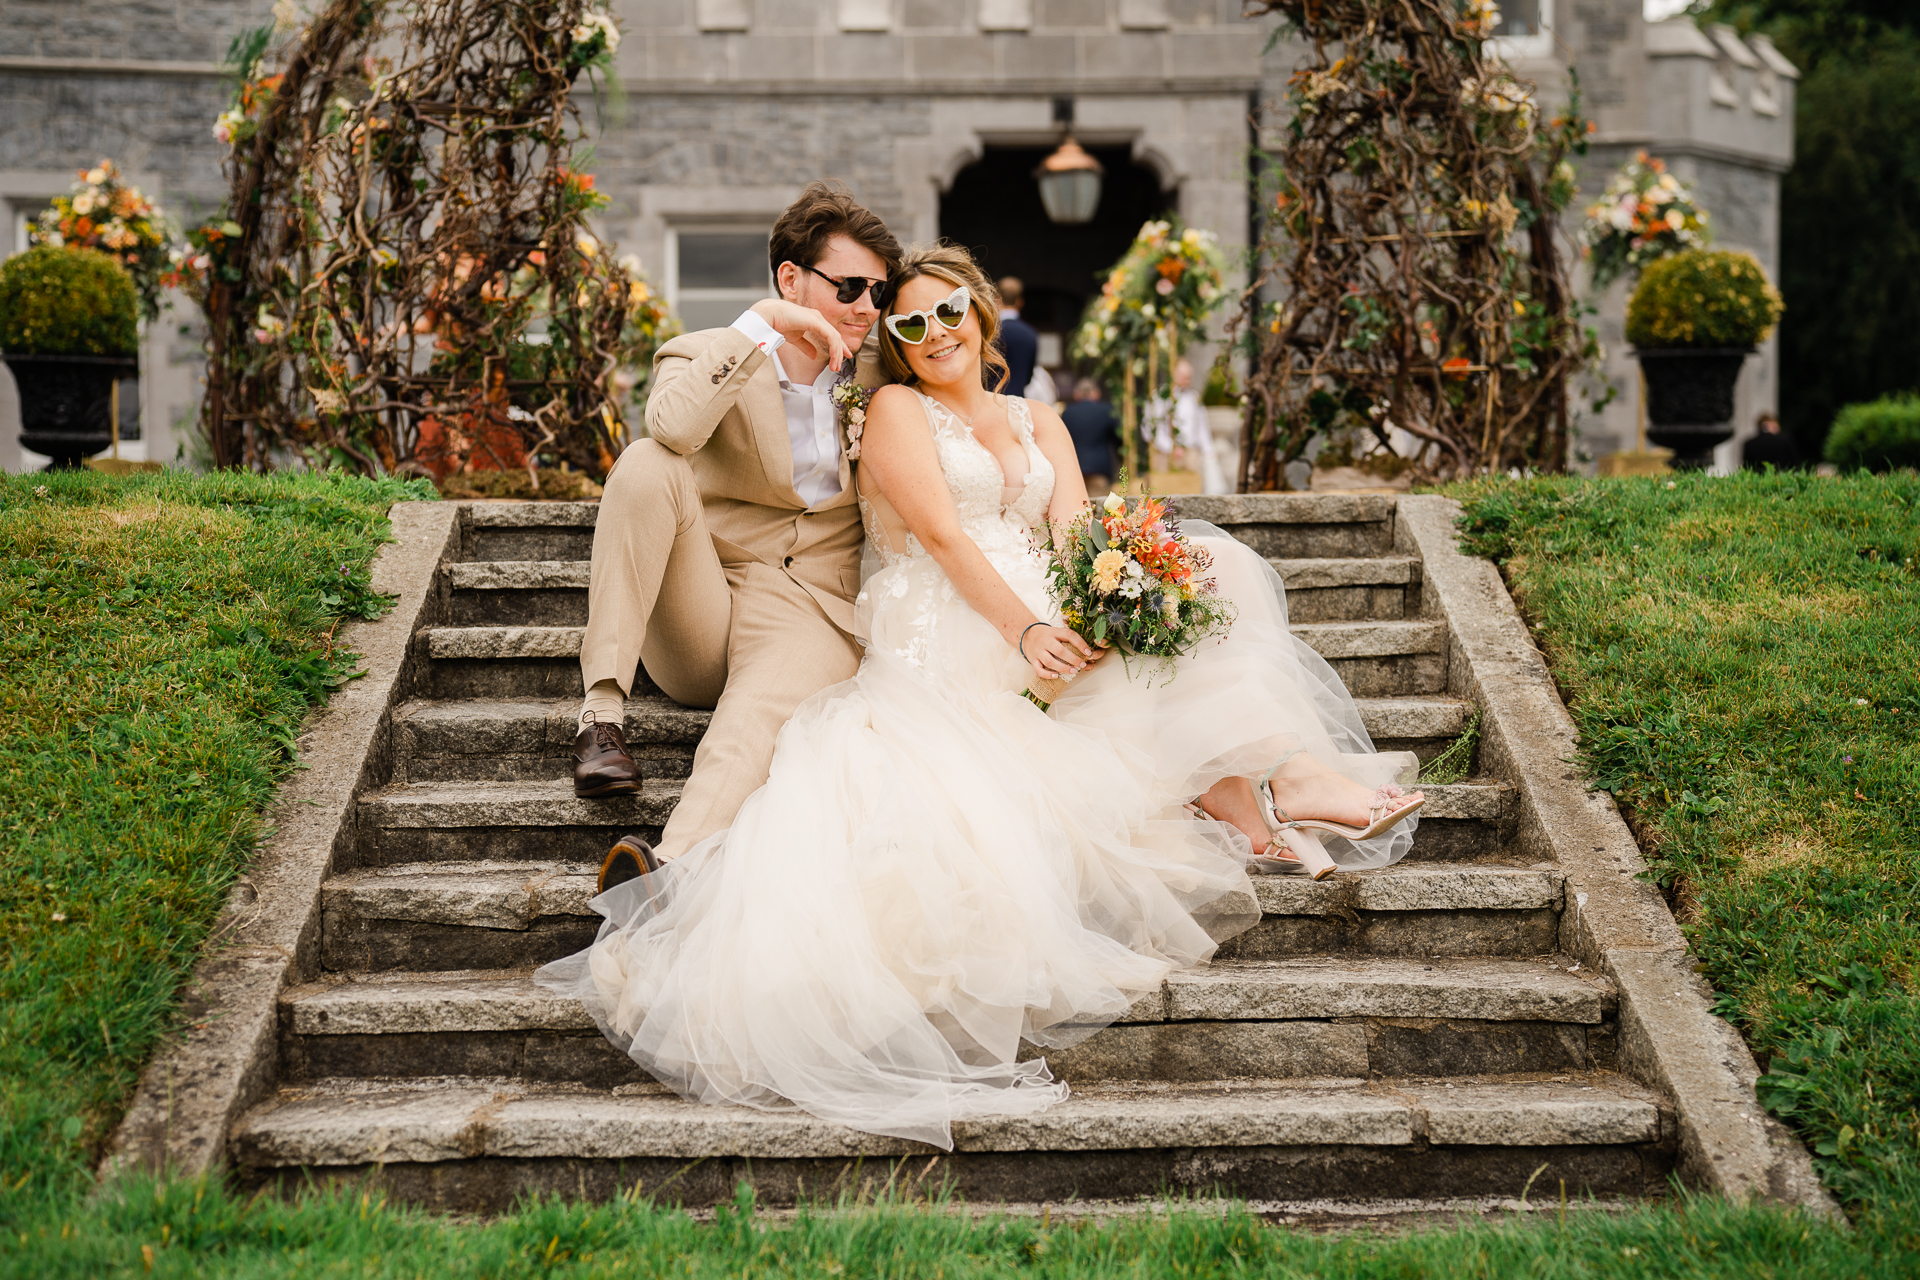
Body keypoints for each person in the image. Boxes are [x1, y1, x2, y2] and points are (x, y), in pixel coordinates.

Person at [540, 242, 1423, 1150]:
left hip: (1010, 596)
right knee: (1060, 718)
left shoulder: (1037, 417)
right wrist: (1029, 630)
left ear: (979, 312)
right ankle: (1263, 800)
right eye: (906, 320)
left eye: (943, 311)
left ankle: (1282, 779)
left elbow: (1073, 529)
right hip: (932, 616)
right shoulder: (887, 405)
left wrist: (1116, 591)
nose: (928, 330)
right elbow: (941, 538)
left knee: (1211, 572)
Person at [568, 181, 902, 892]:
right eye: (849, 288)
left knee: (751, 723)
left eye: (879, 291)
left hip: (811, 611)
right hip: (705, 609)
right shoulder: (706, 353)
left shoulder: (884, 374)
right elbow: (672, 431)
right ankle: (600, 718)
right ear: (791, 279)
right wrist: (758, 327)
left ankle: (666, 870)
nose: (867, 310)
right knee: (644, 462)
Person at [1149, 358, 1228, 494]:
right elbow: (1154, 427)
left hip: (1191, 452)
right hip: (1165, 453)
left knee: (1192, 489)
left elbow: (1202, 427)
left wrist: (1208, 450)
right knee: (1164, 491)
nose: (1187, 380)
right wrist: (1170, 447)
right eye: (1183, 376)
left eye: (1189, 377)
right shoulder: (1160, 397)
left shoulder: (1194, 398)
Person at [1060, 376, 1121, 496]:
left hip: (1075, 470)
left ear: (1076, 394)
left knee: (1077, 509)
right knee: (1099, 508)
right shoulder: (1106, 411)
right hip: (1099, 469)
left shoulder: (1067, 413)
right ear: (1096, 393)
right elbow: (1118, 438)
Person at [994, 275, 1039, 401]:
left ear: (997, 299)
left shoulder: (990, 332)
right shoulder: (1030, 333)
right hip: (1018, 402)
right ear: (1020, 302)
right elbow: (1029, 376)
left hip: (991, 400)